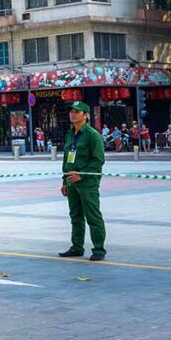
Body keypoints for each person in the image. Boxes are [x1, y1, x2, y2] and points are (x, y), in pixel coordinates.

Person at [58, 101, 107, 261]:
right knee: (75, 216)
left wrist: (82, 175)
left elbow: (98, 160)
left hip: (88, 183)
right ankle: (77, 247)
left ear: (85, 115)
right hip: (71, 182)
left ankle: (99, 249)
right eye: (71, 111)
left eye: (77, 112)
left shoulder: (93, 135)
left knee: (93, 216)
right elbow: (67, 159)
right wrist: (65, 181)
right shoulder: (70, 135)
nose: (73, 114)